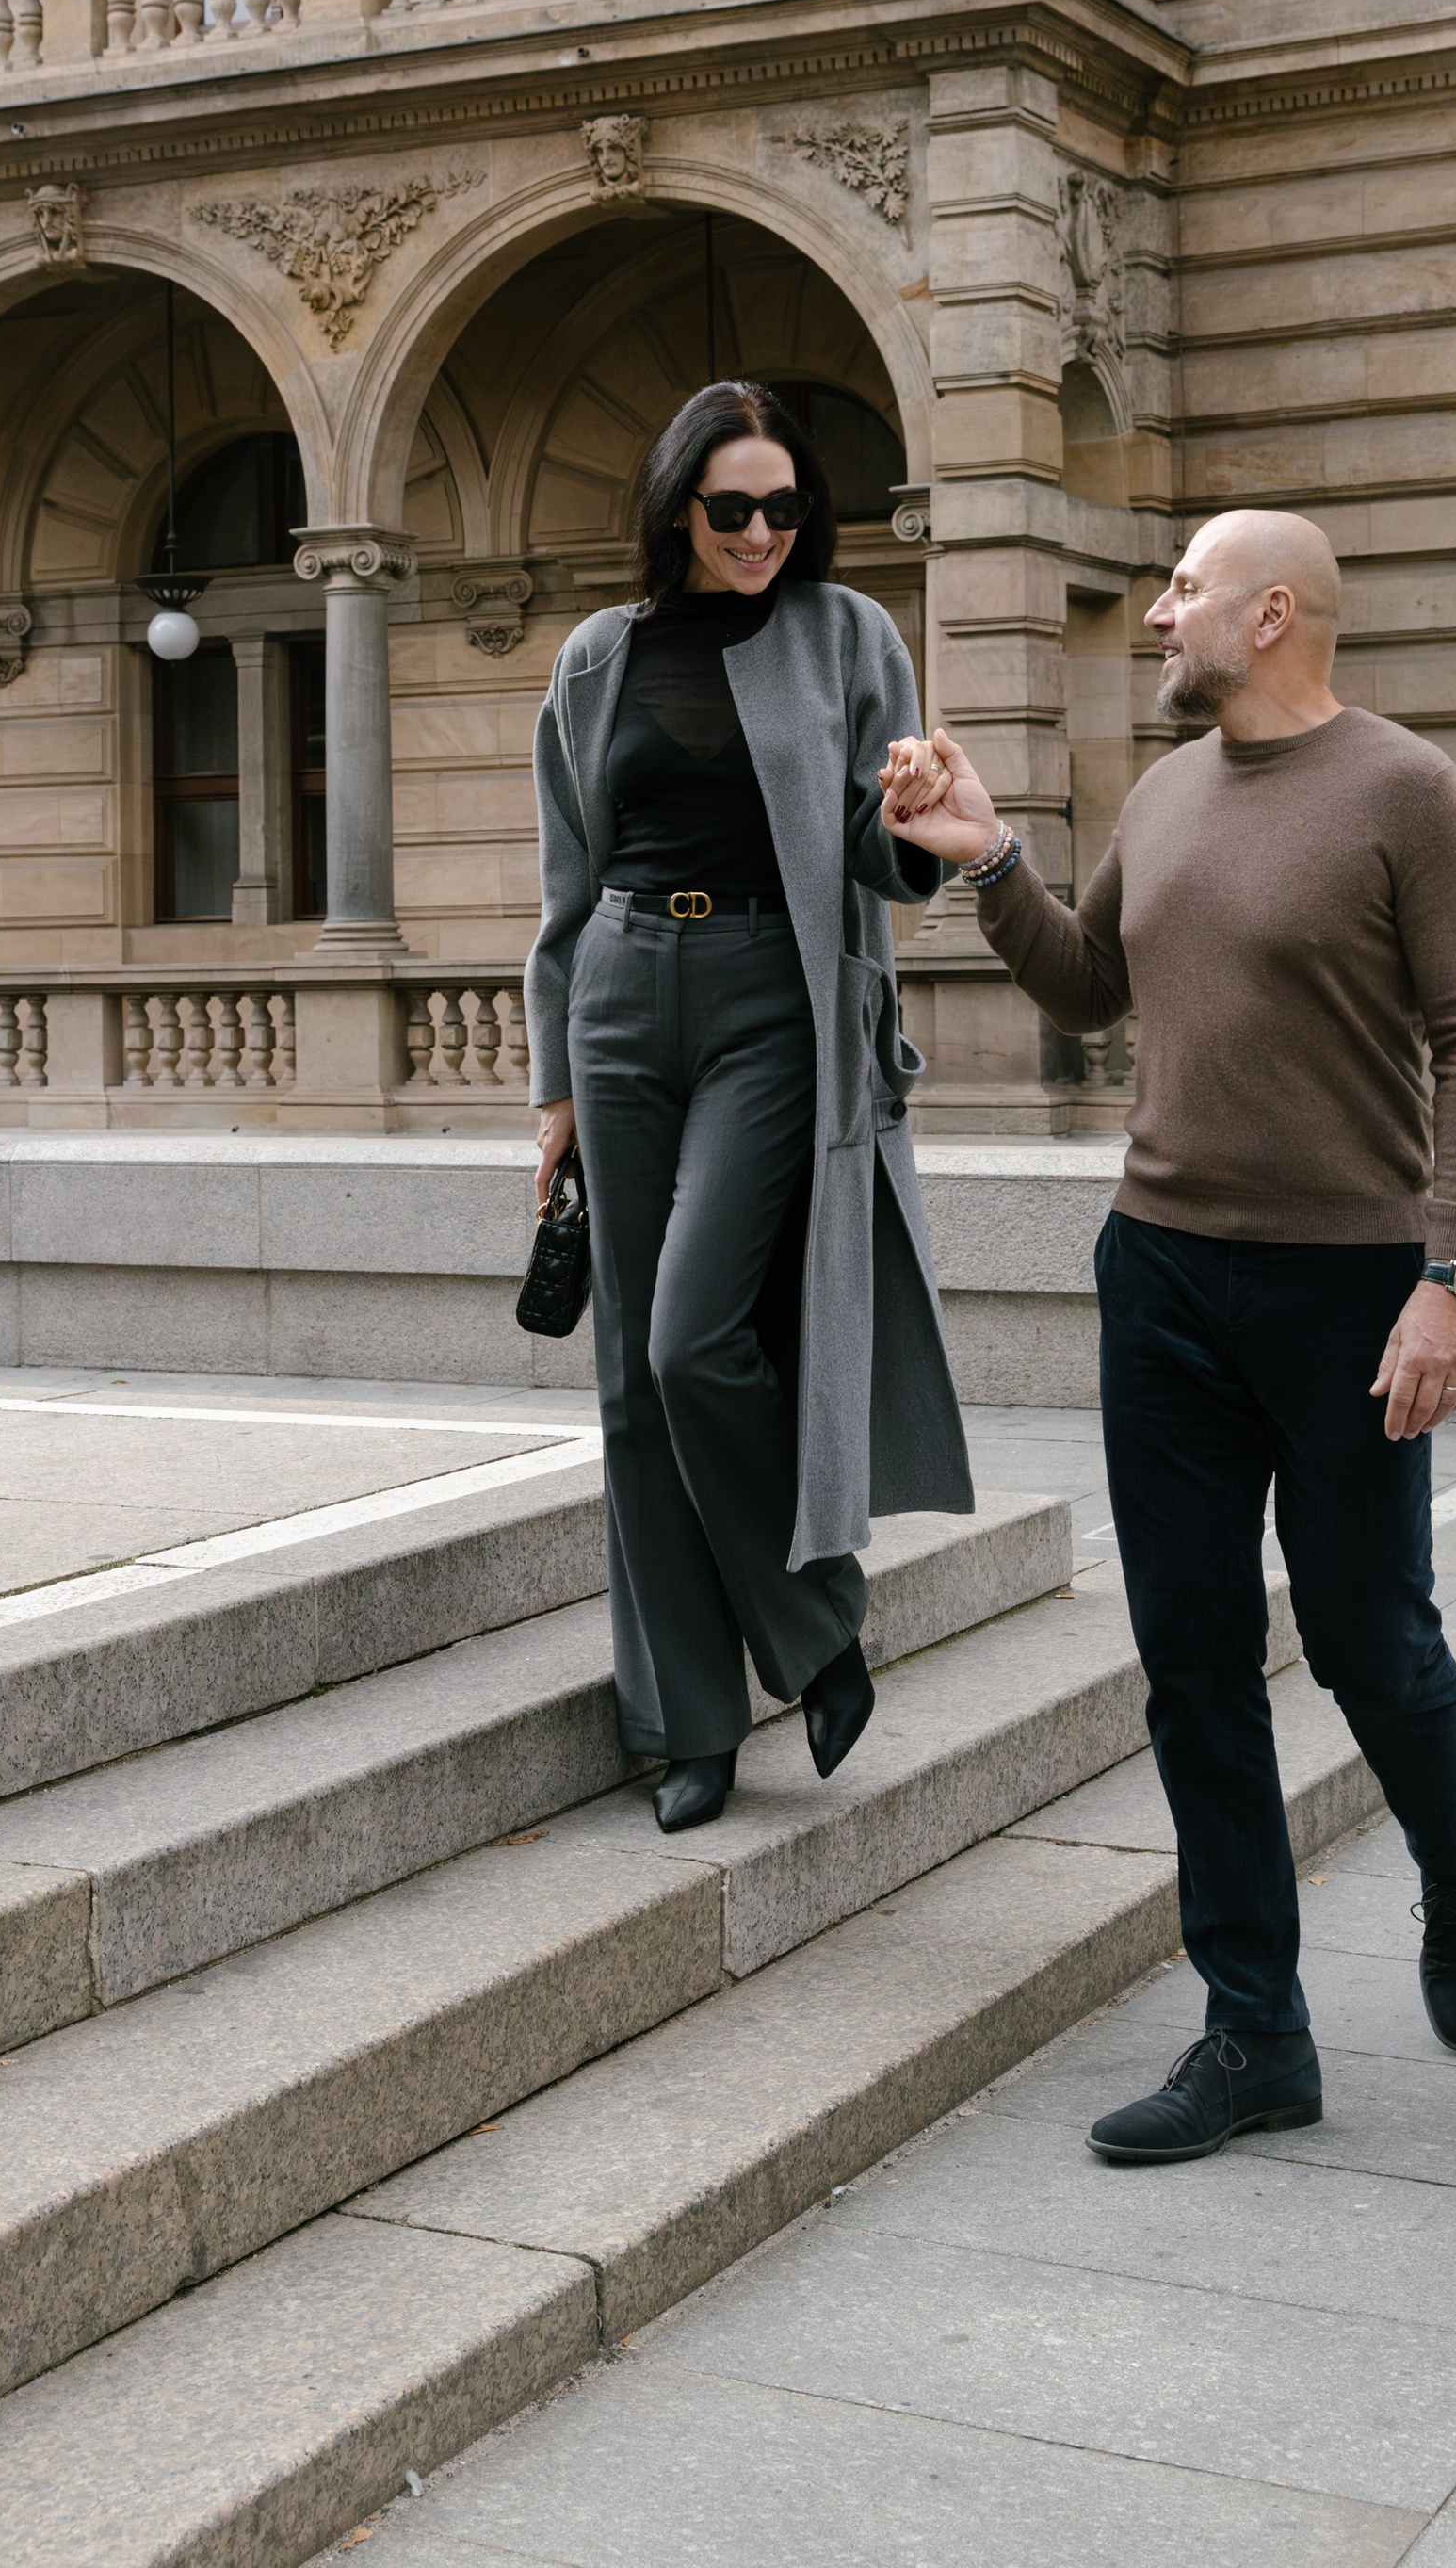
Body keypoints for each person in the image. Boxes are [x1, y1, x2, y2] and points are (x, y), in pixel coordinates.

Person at [880, 506, 1456, 2158]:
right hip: (1161, 1272)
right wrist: (988, 858)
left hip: (1349, 1285)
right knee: (1192, 1657)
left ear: (1272, 613)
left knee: (1372, 1636)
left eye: (1183, 590)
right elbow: (1089, 984)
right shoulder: (1166, 793)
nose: (1159, 616)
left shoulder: (1405, 790)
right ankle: (1256, 2033)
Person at [527, 379, 973, 1834]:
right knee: (632, 1378)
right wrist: (552, 1087)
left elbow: (881, 852)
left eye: (786, 507)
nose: (763, 531)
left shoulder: (849, 636)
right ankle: (689, 1725)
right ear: (679, 509)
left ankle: (813, 1625)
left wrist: (916, 824)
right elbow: (566, 879)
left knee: (695, 1338)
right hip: (618, 990)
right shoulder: (599, 655)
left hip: (771, 1001)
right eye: (734, 508)